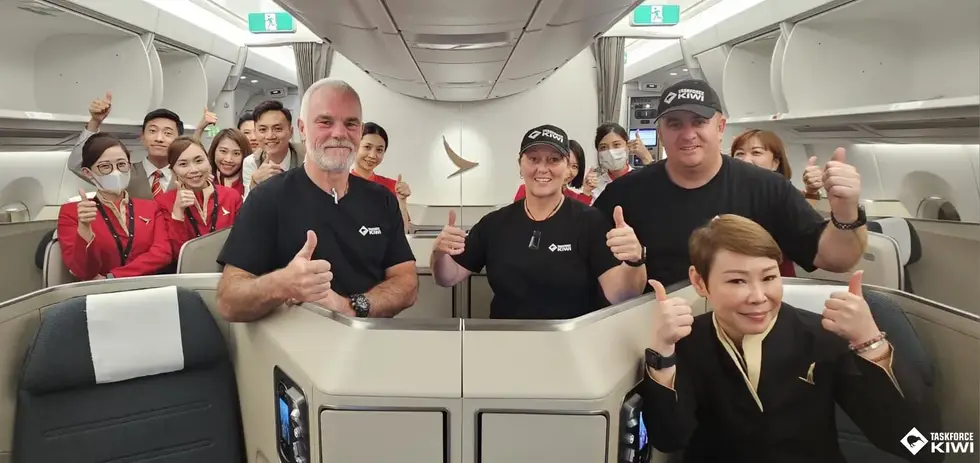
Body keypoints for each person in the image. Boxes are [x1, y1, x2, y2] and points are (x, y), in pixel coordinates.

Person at [640, 215, 940, 462]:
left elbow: (916, 445)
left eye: (769, 277)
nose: (758, 297)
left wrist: (870, 342)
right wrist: (663, 351)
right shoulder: (688, 342)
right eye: (737, 280)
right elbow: (669, 438)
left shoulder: (822, 337)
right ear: (699, 281)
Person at [593, 79, 868, 288]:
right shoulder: (625, 194)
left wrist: (846, 211)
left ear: (720, 127)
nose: (688, 134)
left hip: (746, 325)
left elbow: (835, 259)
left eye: (699, 122)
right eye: (675, 124)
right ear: (661, 133)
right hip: (657, 326)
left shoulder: (767, 189)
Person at [215, 78, 418, 322]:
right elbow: (228, 301)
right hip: (296, 340)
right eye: (325, 122)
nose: (339, 133)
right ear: (302, 128)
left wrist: (351, 307)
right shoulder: (267, 198)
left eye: (351, 123)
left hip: (368, 338)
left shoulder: (382, 200)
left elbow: (407, 282)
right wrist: (282, 283)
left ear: (360, 130)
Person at [430, 124, 648, 319]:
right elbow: (448, 277)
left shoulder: (590, 221)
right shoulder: (494, 224)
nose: (542, 168)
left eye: (553, 160)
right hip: (506, 340)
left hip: (570, 339)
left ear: (567, 167)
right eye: (533, 159)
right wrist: (439, 253)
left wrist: (635, 260)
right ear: (520, 164)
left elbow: (621, 295)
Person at [58, 133, 173, 280]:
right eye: (105, 166)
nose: (116, 172)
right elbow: (82, 271)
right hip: (98, 291)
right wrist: (85, 229)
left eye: (121, 164)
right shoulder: (72, 212)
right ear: (88, 173)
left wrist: (113, 277)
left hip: (146, 286)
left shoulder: (151, 208)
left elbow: (162, 254)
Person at [730, 129, 823, 277]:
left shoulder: (783, 195)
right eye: (739, 154)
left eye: (756, 152)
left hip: (776, 277)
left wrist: (811, 191)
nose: (746, 160)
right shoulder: (723, 193)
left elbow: (802, 231)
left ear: (775, 163)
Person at [68, 93, 184, 199]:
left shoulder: (186, 174)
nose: (159, 138)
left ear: (179, 139)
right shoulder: (122, 171)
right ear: (142, 136)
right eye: (152, 131)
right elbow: (77, 164)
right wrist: (94, 122)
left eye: (167, 133)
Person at [156, 136, 242, 255]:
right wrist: (178, 213)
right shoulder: (163, 202)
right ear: (172, 171)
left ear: (209, 161)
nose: (194, 170)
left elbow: (242, 241)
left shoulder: (231, 196)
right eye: (183, 164)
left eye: (199, 161)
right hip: (187, 266)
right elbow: (176, 254)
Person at [351, 122, 413, 231]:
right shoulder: (339, 184)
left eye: (379, 150)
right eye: (367, 147)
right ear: (355, 146)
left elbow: (402, 232)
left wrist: (401, 201)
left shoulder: (392, 187)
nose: (372, 155)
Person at [241, 100, 306, 195]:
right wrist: (255, 184)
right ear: (255, 133)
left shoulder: (306, 156)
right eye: (263, 129)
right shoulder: (252, 162)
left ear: (291, 132)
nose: (270, 136)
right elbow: (248, 203)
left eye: (277, 129)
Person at [513, 139, 594, 204]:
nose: (569, 171)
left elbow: (581, 215)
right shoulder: (527, 190)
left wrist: (587, 191)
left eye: (574, 166)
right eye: (566, 163)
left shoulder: (574, 198)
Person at [591, 123, 636, 201]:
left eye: (616, 145)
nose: (611, 152)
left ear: (627, 145)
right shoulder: (595, 187)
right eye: (603, 147)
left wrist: (646, 158)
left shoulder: (641, 179)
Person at [208, 128, 250, 196]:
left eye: (236, 153)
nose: (228, 160)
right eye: (223, 151)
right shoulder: (205, 181)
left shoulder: (250, 182)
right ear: (214, 151)